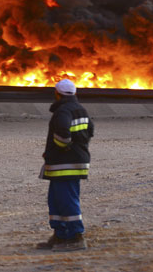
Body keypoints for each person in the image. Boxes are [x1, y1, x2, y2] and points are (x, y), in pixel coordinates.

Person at [36, 79, 94, 252]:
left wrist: (64, 147)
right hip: (71, 163)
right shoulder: (81, 109)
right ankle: (60, 235)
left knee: (67, 200)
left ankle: (76, 237)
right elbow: (90, 130)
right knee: (56, 200)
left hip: (65, 164)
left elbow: (62, 133)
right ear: (74, 93)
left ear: (57, 94)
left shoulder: (63, 111)